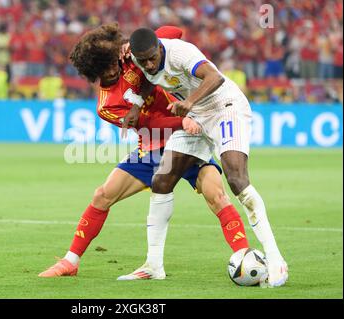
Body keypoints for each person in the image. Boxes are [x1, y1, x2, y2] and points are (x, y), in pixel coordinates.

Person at [39, 24, 249, 279]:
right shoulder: (106, 106)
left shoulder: (132, 58)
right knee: (103, 195)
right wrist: (181, 121)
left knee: (216, 195)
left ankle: (245, 258)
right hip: (154, 143)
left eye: (112, 61)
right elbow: (147, 124)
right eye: (105, 67)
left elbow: (175, 33)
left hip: (187, 138)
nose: (114, 67)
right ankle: (70, 261)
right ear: (94, 72)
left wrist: (133, 41)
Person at [122, 28, 287, 287]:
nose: (149, 64)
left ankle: (276, 260)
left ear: (160, 48)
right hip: (195, 115)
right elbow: (146, 79)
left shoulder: (180, 52)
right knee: (162, 181)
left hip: (224, 107)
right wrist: (135, 106)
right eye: (143, 61)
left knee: (236, 180)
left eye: (153, 58)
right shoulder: (139, 59)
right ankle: (153, 265)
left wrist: (188, 102)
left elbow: (215, 77)